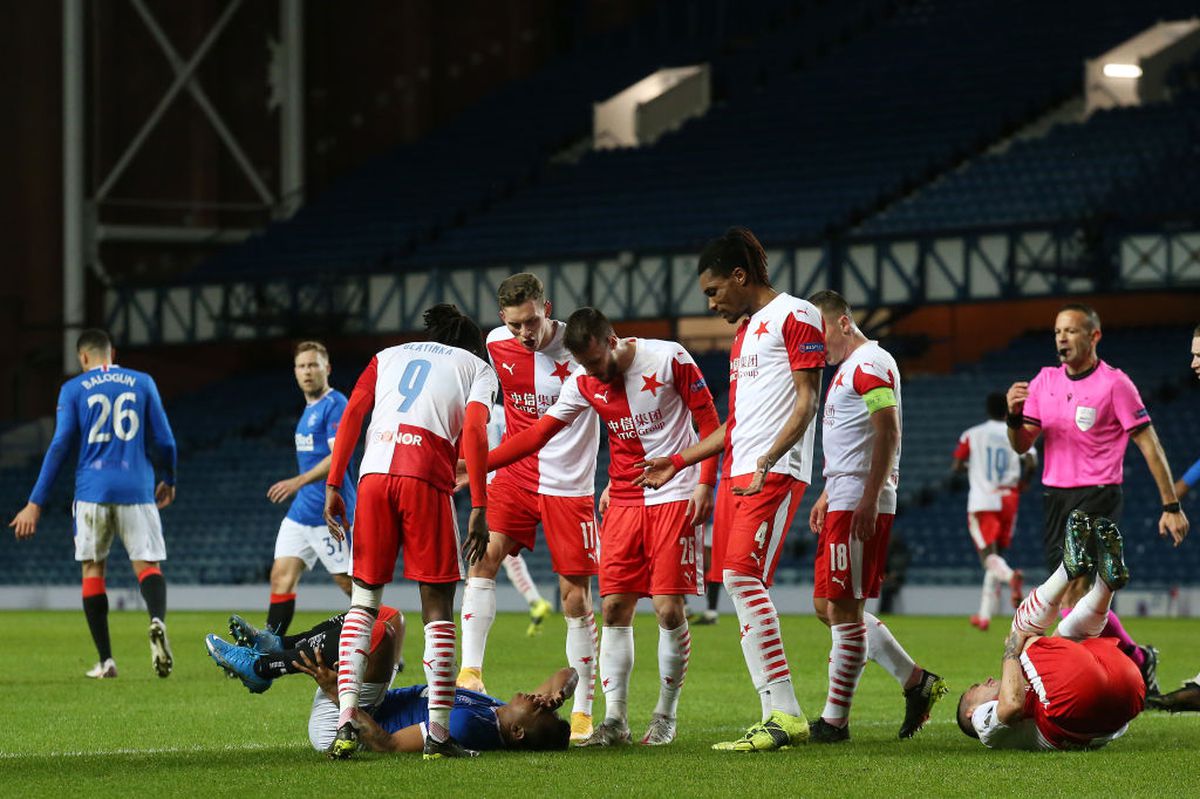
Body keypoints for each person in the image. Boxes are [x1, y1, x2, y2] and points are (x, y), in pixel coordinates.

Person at [486, 308, 720, 747]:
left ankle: (665, 716)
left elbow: (710, 423)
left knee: (669, 609)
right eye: (583, 365)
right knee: (613, 609)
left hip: (675, 491)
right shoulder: (582, 381)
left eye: (595, 362)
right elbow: (538, 435)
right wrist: (478, 464)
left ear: (612, 341)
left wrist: (705, 484)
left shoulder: (668, 358)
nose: (592, 373)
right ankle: (615, 721)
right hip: (625, 498)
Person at [637, 227, 824, 752]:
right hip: (738, 471)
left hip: (774, 469)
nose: (712, 303)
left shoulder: (797, 314)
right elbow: (736, 425)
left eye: (714, 291)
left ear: (740, 276)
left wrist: (769, 458)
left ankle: (785, 713)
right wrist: (679, 460)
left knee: (742, 578)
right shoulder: (744, 334)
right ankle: (774, 713)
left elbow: (807, 401)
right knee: (738, 585)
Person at [323, 304, 496, 760]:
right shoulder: (477, 367)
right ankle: (437, 734)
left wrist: (334, 483)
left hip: (373, 476)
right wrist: (480, 504)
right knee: (437, 607)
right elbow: (475, 430)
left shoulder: (387, 355)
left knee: (364, 602)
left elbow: (353, 414)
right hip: (425, 477)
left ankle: (346, 722)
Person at [1006, 303, 1189, 693]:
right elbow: (1022, 444)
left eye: (1071, 331)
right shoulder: (1043, 382)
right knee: (1070, 596)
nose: (1062, 338)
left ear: (1094, 336)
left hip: (1099, 492)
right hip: (1055, 496)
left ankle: (1073, 683)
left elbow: (1150, 444)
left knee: (1074, 587)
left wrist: (1170, 505)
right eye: (1058, 331)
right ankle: (1137, 659)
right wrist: (1013, 416)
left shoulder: (1114, 384)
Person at [457, 273, 601, 742]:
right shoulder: (495, 344)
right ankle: (470, 674)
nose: (524, 333)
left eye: (533, 321)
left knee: (574, 597)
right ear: (502, 318)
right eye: (515, 324)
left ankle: (582, 712)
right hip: (517, 475)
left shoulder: (579, 348)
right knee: (482, 558)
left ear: (547, 308)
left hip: (569, 483)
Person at [805, 290, 946, 743]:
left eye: (820, 335)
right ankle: (915, 680)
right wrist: (828, 491)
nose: (817, 347)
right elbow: (856, 439)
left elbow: (888, 429)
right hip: (843, 496)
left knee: (845, 611)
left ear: (844, 323)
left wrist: (868, 497)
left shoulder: (870, 363)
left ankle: (834, 722)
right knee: (827, 607)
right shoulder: (850, 367)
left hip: (858, 502)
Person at [9, 328, 177, 679]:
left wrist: (35, 502)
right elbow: (165, 441)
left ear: (83, 357)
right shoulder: (143, 382)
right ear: (112, 353)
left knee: (93, 569)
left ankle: (107, 661)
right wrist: (170, 478)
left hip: (92, 492)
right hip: (137, 488)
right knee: (147, 566)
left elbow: (60, 445)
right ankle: (156, 620)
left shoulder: (73, 389)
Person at [956, 510, 1145, 750]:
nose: (988, 679)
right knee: (1019, 632)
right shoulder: (983, 727)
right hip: (1088, 695)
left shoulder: (1029, 702)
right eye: (976, 687)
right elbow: (1012, 705)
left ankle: (1105, 584)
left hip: (1127, 695)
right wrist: (1010, 652)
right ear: (971, 711)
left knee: (1064, 641)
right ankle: (1070, 571)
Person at [263, 342, 355, 636]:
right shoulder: (307, 411)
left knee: (350, 586)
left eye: (313, 365)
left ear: (327, 368)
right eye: (302, 366)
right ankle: (266, 650)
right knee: (280, 578)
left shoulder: (335, 403)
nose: (307, 371)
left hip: (331, 513)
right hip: (302, 512)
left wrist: (298, 481)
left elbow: (338, 456)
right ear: (295, 372)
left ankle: (387, 643)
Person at [951, 391, 1037, 631]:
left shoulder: (973, 434)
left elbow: (956, 466)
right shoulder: (1017, 432)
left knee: (989, 558)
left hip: (983, 499)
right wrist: (1025, 482)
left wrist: (972, 467)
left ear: (987, 410)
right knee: (996, 557)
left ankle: (1011, 578)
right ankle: (984, 615)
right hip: (1009, 498)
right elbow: (1031, 462)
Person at [483, 399, 556, 638]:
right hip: (516, 474)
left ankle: (534, 600)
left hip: (494, 482)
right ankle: (534, 600)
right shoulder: (506, 413)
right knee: (502, 553)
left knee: (489, 556)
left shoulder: (478, 413)